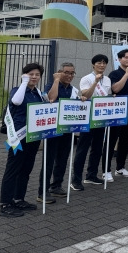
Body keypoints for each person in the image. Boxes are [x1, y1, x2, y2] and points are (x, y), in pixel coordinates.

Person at [0, 63, 45, 217]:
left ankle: (18, 199)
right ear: (24, 75)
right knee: (13, 169)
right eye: (30, 74)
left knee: (26, 169)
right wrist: (24, 82)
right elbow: (16, 102)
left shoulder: (37, 93)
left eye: (37, 74)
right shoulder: (17, 90)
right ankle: (5, 204)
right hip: (18, 137)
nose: (34, 77)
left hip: (33, 136)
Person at [37, 62, 80, 204]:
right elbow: (51, 98)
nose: (69, 76)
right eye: (66, 72)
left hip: (67, 130)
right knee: (48, 160)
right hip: (52, 129)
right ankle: (42, 191)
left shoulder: (73, 89)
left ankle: (56, 185)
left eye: (72, 73)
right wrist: (56, 80)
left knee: (62, 159)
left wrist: (83, 100)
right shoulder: (52, 85)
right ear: (59, 72)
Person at [72, 54, 111, 190]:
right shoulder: (86, 79)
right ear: (93, 65)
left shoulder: (107, 80)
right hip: (87, 118)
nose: (101, 65)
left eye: (104, 63)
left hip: (101, 117)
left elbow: (106, 97)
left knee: (97, 148)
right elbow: (86, 95)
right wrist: (95, 82)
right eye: (99, 63)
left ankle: (91, 175)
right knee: (82, 149)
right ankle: (76, 179)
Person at [105, 48, 128, 180]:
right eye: (126, 57)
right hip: (117, 113)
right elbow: (114, 88)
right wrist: (126, 74)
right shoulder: (114, 74)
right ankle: (106, 170)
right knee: (111, 141)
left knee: (125, 142)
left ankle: (120, 167)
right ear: (119, 59)